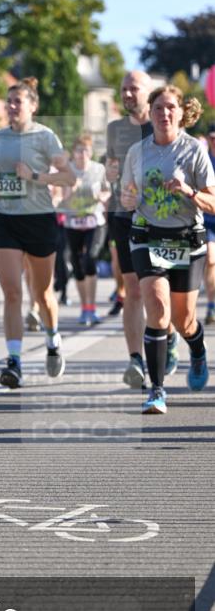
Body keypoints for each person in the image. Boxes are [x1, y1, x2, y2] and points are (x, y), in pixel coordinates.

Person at [121, 85, 215, 413]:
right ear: (151, 112)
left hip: (187, 238)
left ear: (180, 112)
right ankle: (157, 390)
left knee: (183, 318)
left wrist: (189, 192)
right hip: (148, 236)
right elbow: (127, 194)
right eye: (158, 108)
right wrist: (128, 198)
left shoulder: (194, 151)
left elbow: (213, 202)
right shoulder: (137, 151)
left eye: (170, 107)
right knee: (158, 308)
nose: (165, 114)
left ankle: (196, 346)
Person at [0, 78, 75, 388]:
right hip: (5, 219)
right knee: (12, 292)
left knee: (42, 294)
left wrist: (33, 175)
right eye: (10, 101)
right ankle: (14, 361)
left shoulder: (46, 138)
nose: (12, 106)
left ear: (33, 106)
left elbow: (68, 177)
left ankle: (52, 339)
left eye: (18, 102)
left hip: (40, 220)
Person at [106, 70, 179, 386]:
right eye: (124, 89)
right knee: (133, 290)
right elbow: (112, 172)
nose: (127, 94)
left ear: (149, 93)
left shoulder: (162, 124)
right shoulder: (114, 129)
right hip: (123, 217)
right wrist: (111, 175)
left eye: (133, 88)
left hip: (160, 219)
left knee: (160, 293)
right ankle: (136, 360)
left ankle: (170, 333)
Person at [61, 133, 111, 325]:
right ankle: (85, 307)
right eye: (79, 150)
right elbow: (62, 196)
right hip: (73, 222)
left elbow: (108, 190)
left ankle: (92, 306)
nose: (83, 154)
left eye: (87, 150)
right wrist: (72, 189)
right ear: (73, 153)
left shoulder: (99, 169)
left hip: (95, 221)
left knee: (90, 258)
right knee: (77, 263)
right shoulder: (68, 170)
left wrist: (102, 196)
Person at [203, 124, 215, 325]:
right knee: (211, 260)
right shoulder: (203, 158)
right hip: (208, 219)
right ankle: (212, 304)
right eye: (212, 138)